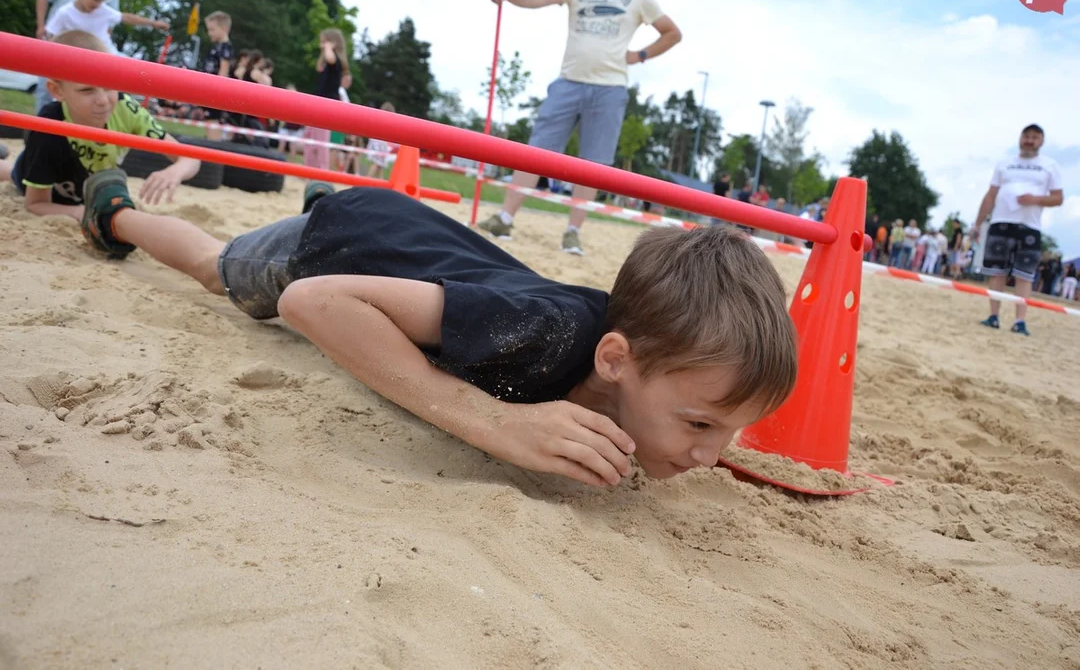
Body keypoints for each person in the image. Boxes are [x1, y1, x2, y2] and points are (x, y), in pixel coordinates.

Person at [73, 170, 797, 486]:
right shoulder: (546, 333)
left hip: (408, 250)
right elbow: (312, 304)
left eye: (730, 431)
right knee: (214, 268)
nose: (709, 454)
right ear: (615, 360)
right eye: (700, 424)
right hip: (338, 247)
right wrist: (494, 423)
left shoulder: (637, 364)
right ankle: (112, 212)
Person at [477, 0, 683, 256]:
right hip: (569, 80)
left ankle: (573, 232)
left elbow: (672, 33)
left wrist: (639, 56)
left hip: (610, 88)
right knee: (535, 152)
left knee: (593, 165)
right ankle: (504, 218)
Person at [0, 31, 200, 221]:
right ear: (57, 91)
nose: (103, 100)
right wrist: (84, 213)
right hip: (43, 180)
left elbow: (190, 157)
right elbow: (35, 204)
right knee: (15, 176)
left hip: (82, 186)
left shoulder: (125, 107)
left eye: (108, 84)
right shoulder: (48, 124)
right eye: (87, 90)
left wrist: (174, 171)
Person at [975, 124, 1064, 335]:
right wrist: (978, 223)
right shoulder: (1005, 164)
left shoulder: (1049, 165)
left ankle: (1020, 321)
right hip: (1000, 222)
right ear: (1020, 138)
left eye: (1035, 137)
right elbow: (991, 194)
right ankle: (993, 316)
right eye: (1026, 136)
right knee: (996, 271)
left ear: (1041, 141)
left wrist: (1036, 199)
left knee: (1025, 274)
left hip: (1029, 226)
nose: (1029, 140)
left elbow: (1058, 198)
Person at [34, 0, 120, 113]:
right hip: (56, 43)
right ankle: (39, 131)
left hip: (88, 53)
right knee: (46, 88)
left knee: (84, 95)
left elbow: (109, 25)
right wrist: (41, 26)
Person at [44, 0, 169, 52]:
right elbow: (51, 36)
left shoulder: (102, 10)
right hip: (78, 56)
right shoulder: (65, 13)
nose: (97, 5)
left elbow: (126, 17)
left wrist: (153, 23)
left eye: (101, 1)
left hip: (104, 53)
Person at [304, 28, 352, 171]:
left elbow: (330, 58)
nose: (322, 45)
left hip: (326, 106)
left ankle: (321, 170)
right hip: (318, 103)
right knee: (309, 138)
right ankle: (309, 169)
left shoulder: (335, 61)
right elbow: (320, 66)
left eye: (324, 42)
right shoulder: (328, 63)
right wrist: (324, 49)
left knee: (321, 142)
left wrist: (328, 47)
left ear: (333, 44)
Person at [200, 11, 235, 140]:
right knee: (209, 121)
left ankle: (213, 150)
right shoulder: (218, 47)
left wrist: (216, 92)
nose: (210, 33)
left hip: (216, 92)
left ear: (224, 28)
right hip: (210, 90)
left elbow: (223, 73)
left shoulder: (225, 47)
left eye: (212, 29)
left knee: (213, 121)